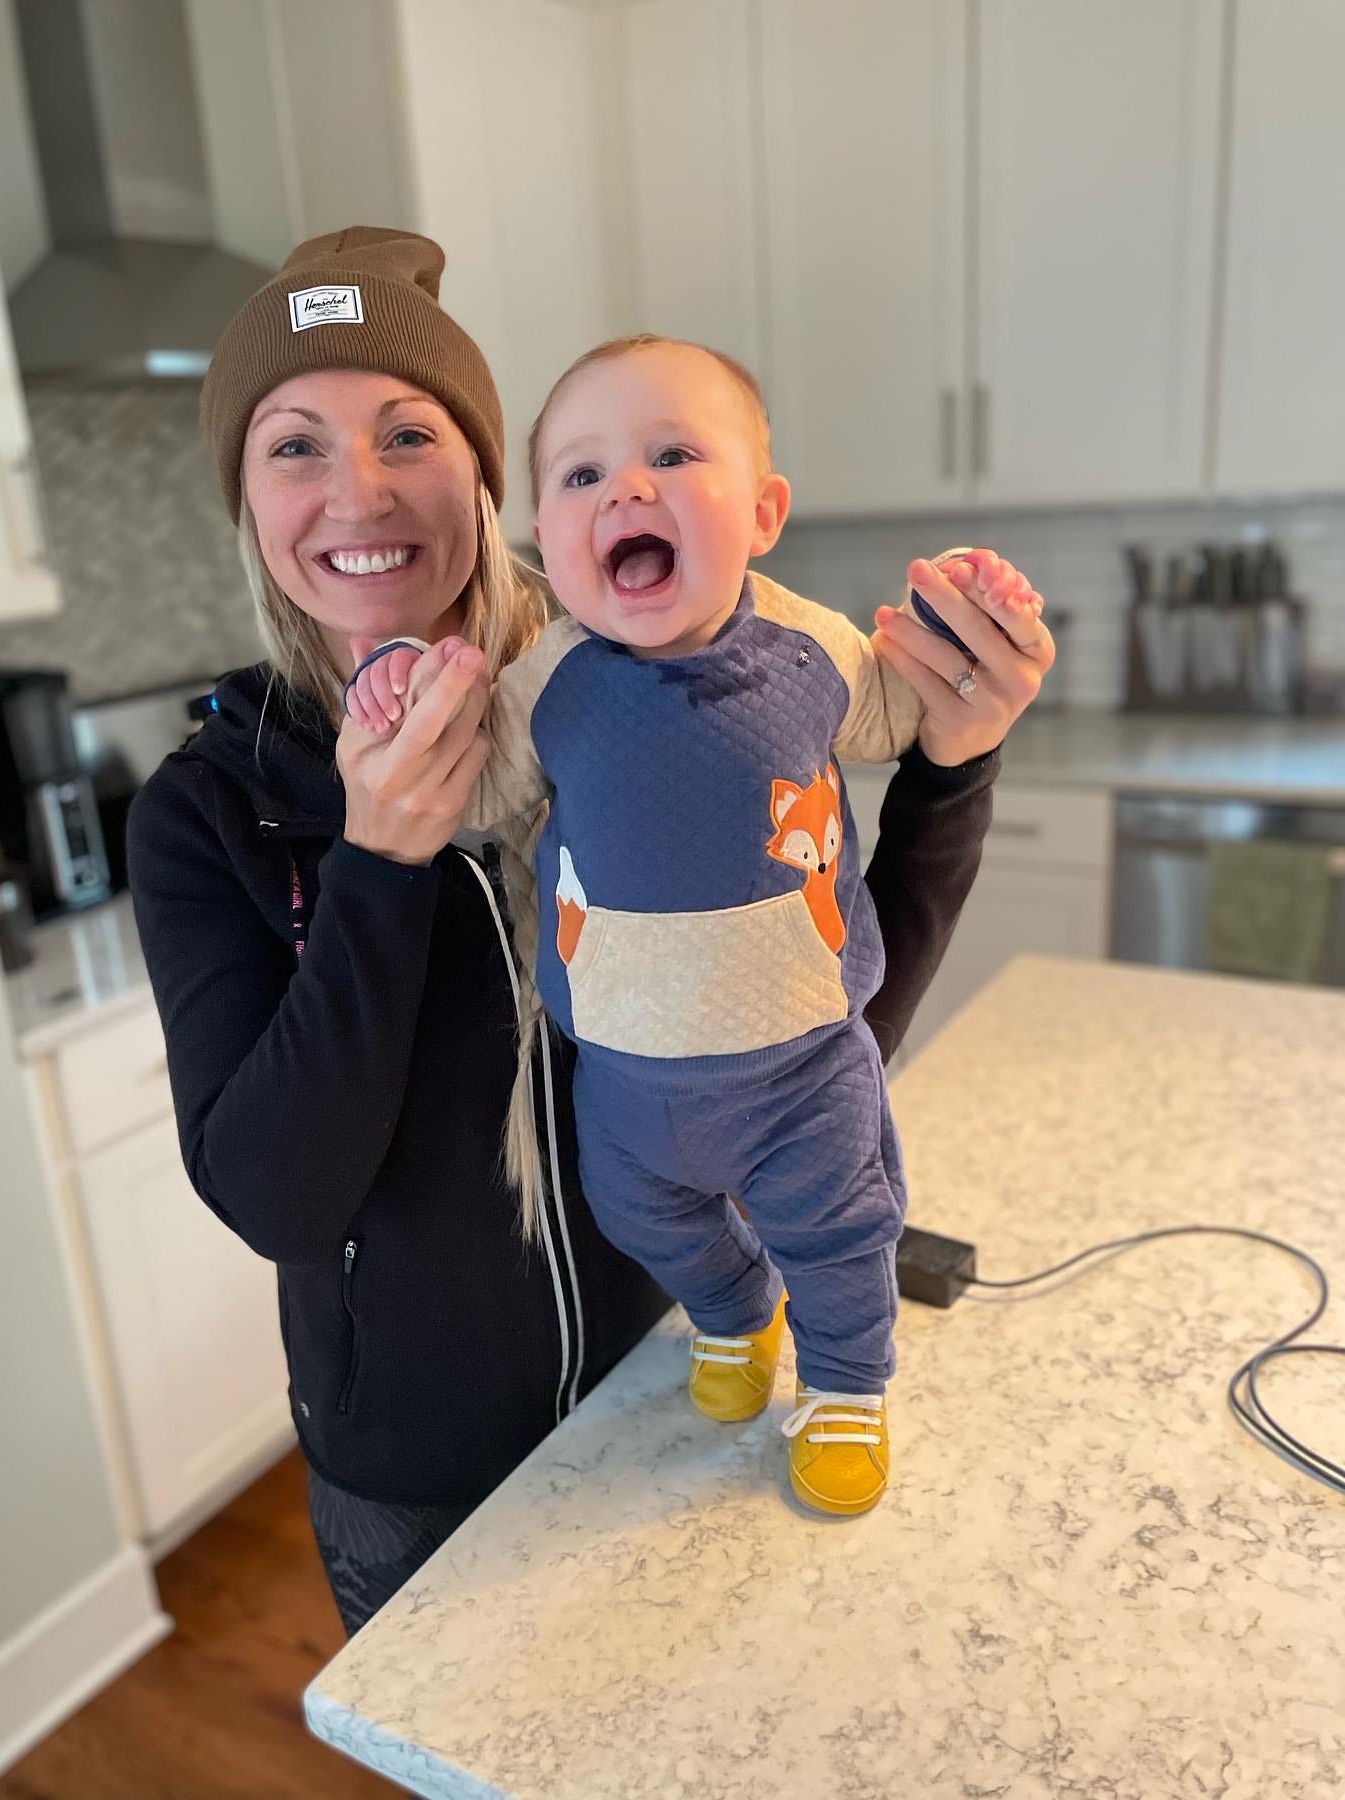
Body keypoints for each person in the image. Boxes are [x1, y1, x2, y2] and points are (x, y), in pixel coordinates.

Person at [127, 229, 1054, 1633]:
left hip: (673, 1379)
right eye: (294, 447)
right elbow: (278, 1198)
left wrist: (954, 763)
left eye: (407, 432)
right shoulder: (210, 811)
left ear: (486, 473)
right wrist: (380, 863)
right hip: (420, 1485)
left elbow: (822, 1020)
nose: (358, 492)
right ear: (245, 499)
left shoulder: (624, 678)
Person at [343, 334, 1045, 1517]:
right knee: (642, 1217)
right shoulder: (540, 687)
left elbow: (921, 709)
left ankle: (847, 1388)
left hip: (803, 1067)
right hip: (622, 1076)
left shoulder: (813, 649)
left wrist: (974, 612)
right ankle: (732, 1316)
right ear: (547, 545)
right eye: (581, 476)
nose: (627, 488)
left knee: (840, 1232)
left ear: (763, 511)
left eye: (673, 453)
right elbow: (456, 785)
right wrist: (404, 688)